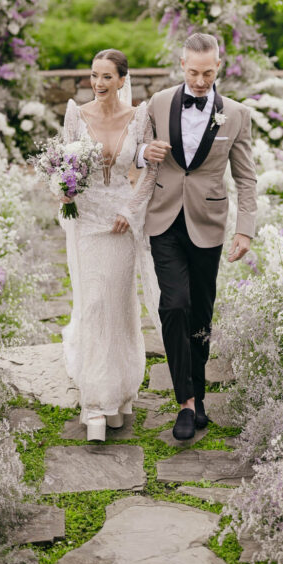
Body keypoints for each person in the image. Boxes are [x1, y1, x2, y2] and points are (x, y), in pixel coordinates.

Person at [138, 32, 257, 440]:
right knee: (175, 306)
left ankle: (198, 393)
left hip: (208, 222)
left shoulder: (237, 114)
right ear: (182, 65)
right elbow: (135, 150)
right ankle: (186, 402)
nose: (201, 81)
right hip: (164, 219)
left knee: (201, 313)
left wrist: (245, 229)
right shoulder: (157, 103)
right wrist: (144, 153)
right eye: (193, 73)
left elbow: (246, 177)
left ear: (218, 66)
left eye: (208, 73)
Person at [60, 48, 160, 442]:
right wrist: (63, 190)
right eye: (94, 75)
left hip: (121, 222)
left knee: (118, 306)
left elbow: (151, 171)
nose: (98, 83)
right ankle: (96, 404)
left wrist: (131, 211)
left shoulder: (139, 116)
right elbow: (64, 166)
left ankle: (119, 396)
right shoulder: (76, 114)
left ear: (122, 80)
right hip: (87, 221)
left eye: (106, 77)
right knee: (94, 303)